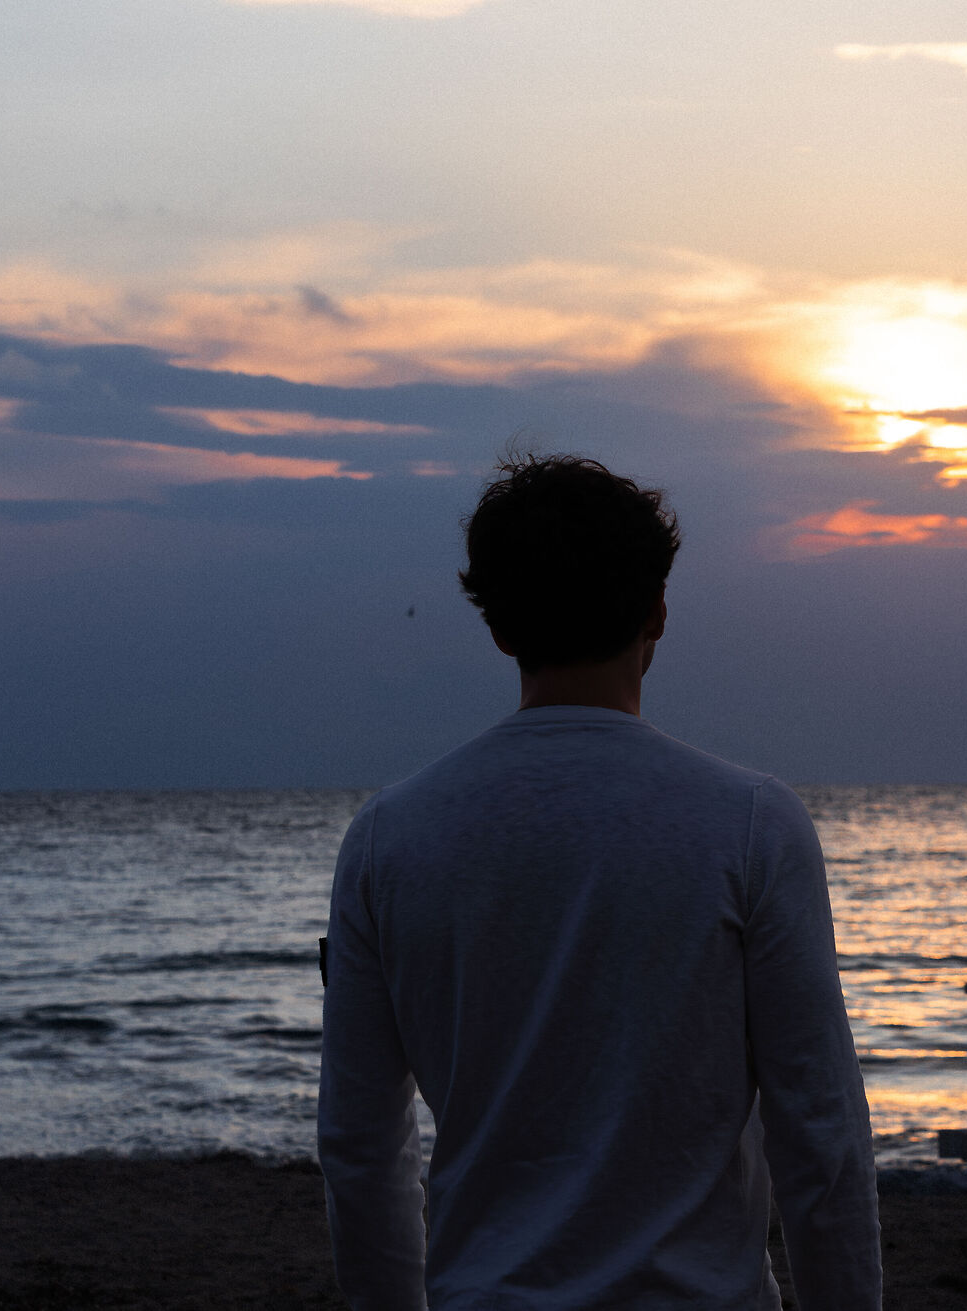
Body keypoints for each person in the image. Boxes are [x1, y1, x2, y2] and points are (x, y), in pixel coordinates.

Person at [318, 453, 881, 1310]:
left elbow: (361, 1147)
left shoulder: (387, 839)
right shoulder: (752, 824)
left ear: (499, 627)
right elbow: (823, 1139)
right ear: (658, 609)